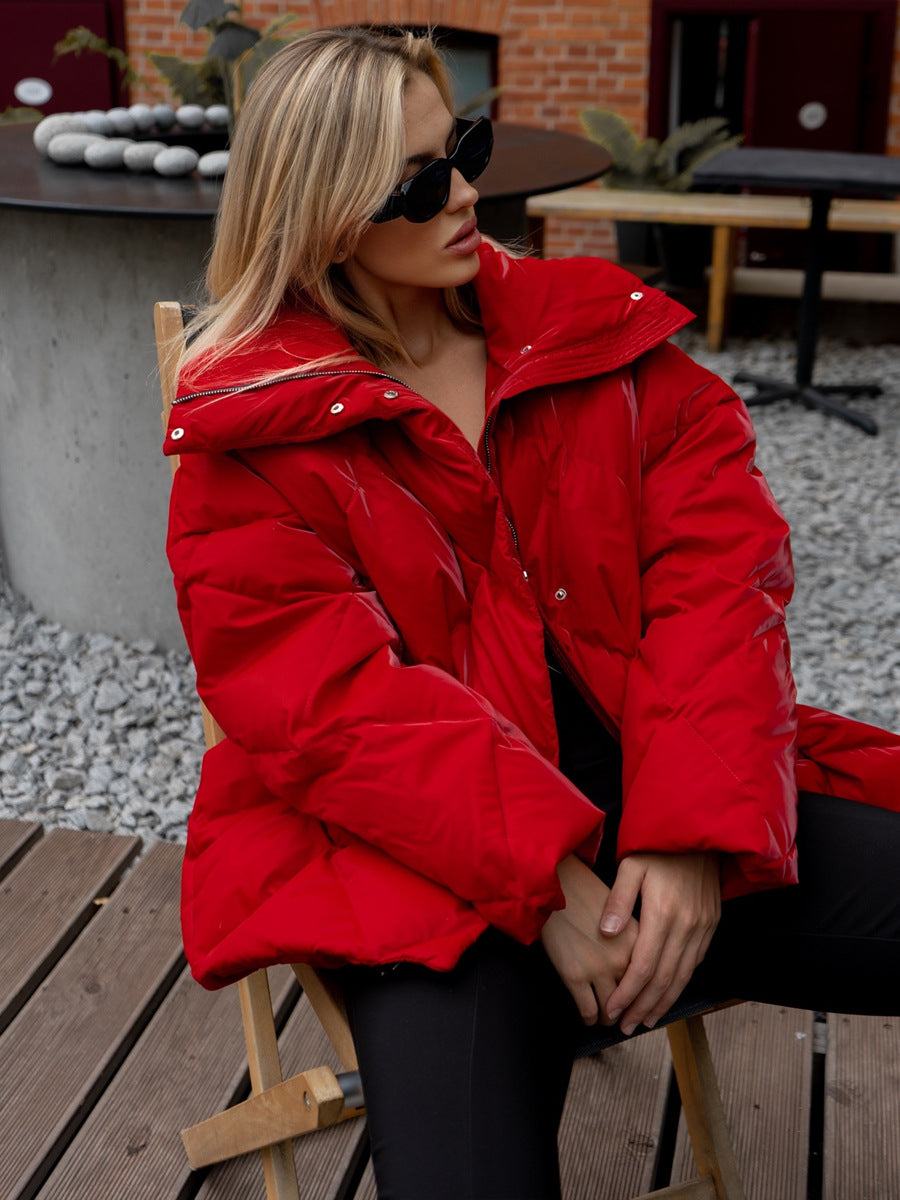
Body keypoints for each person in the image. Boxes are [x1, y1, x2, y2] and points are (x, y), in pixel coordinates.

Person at [164, 27, 900, 1200]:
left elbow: (722, 579)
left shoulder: (599, 336)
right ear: (325, 218)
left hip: (667, 793)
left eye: (462, 150)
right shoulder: (253, 439)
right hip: (423, 865)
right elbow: (329, 709)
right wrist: (549, 882)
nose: (466, 195)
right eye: (418, 183)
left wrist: (689, 836)